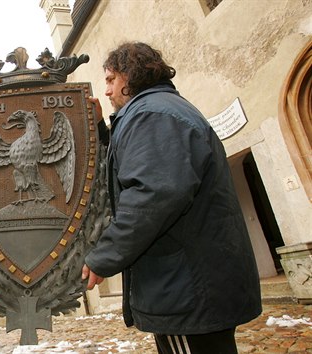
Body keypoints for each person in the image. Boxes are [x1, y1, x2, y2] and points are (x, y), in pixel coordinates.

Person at [81, 42, 262, 354]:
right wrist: (100, 127)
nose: (107, 90)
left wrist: (103, 256)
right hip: (190, 284)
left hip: (185, 288)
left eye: (110, 80)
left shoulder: (153, 115)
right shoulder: (158, 111)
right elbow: (138, 167)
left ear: (129, 75)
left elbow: (152, 195)